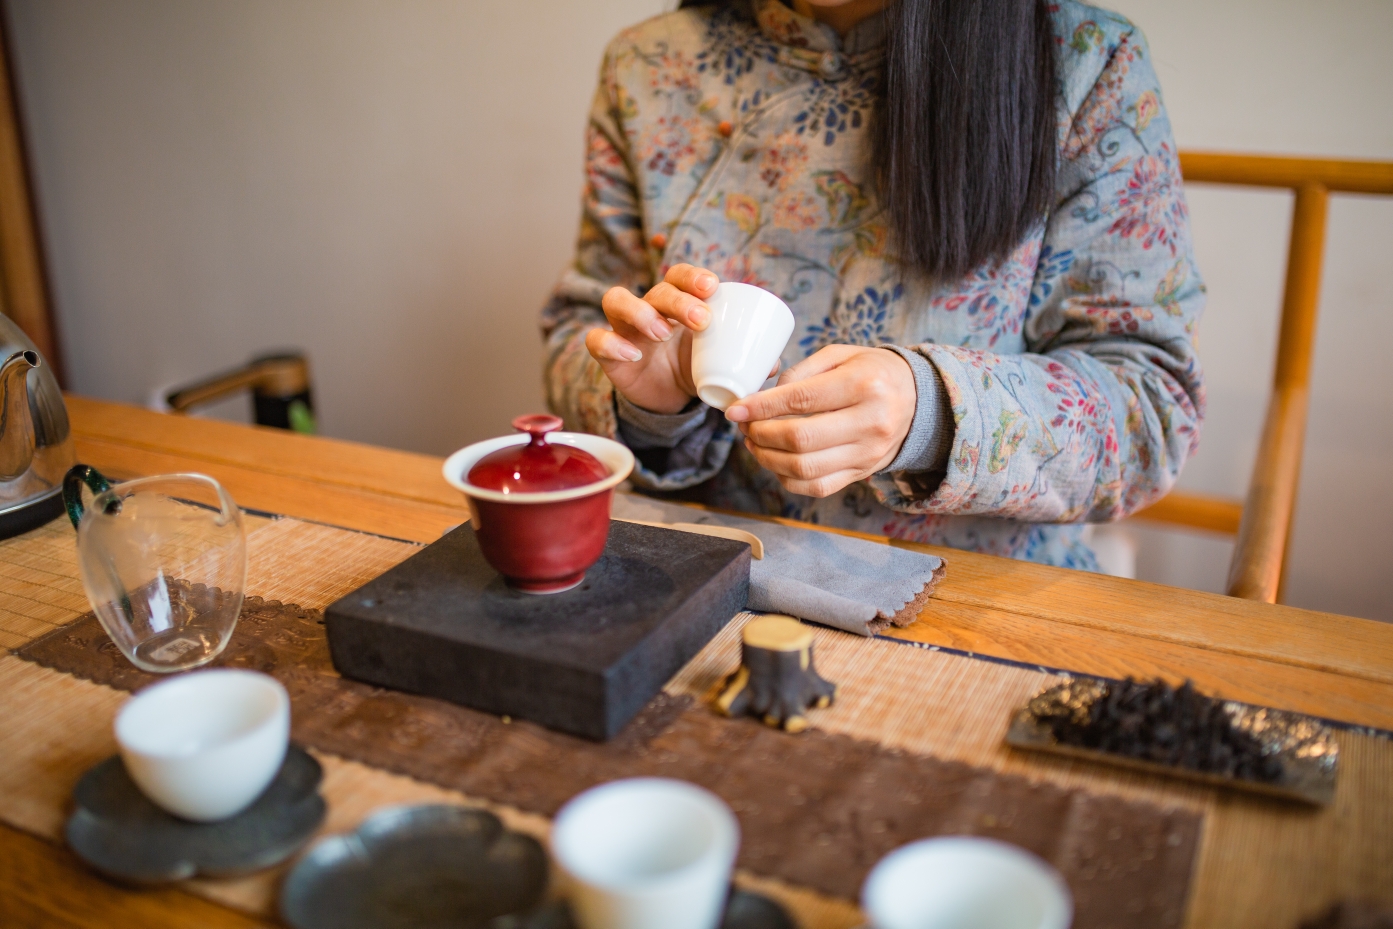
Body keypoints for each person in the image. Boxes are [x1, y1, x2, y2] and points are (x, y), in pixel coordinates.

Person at [541, 0, 1204, 570]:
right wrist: (649, 405)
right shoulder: (650, 66)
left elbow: (1152, 407)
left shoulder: (1084, 63)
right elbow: (581, 329)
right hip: (705, 577)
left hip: (977, 597)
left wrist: (929, 415)